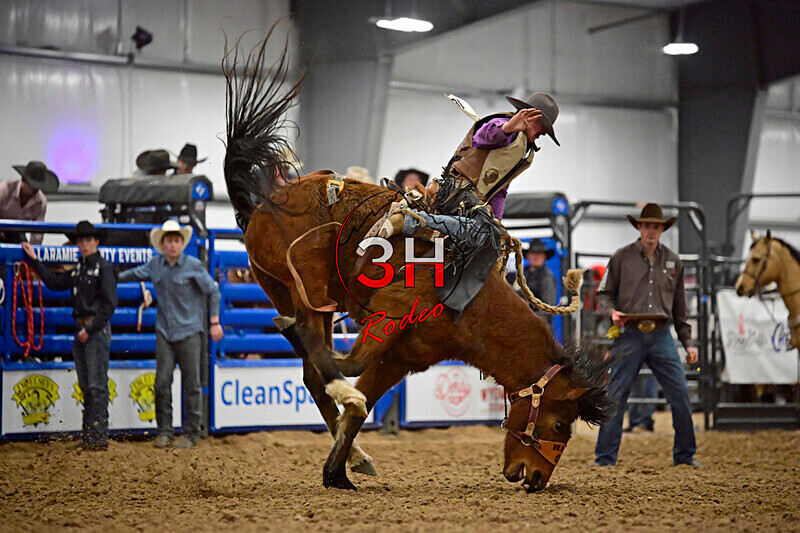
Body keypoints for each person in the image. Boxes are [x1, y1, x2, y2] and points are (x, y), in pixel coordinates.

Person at [366, 92, 561, 315]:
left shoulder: (524, 149)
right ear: (533, 118)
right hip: (457, 191)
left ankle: (450, 297)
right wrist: (509, 128)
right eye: (544, 127)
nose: (543, 133)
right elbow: (483, 138)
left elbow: (500, 190)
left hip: (472, 201)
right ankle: (409, 222)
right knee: (485, 235)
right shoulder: (503, 124)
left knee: (490, 240)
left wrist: (496, 221)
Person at [594, 203, 700, 467]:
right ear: (639, 227)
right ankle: (605, 458)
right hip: (629, 333)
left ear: (662, 229)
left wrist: (688, 343)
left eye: (656, 227)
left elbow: (680, 308)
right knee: (615, 394)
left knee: (680, 393)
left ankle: (685, 455)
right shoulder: (621, 258)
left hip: (661, 333)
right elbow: (604, 294)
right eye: (647, 226)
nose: (651, 231)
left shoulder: (674, 261)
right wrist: (612, 313)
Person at [118, 220, 223, 448]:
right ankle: (164, 431)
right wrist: (111, 276)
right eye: (169, 241)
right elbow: (134, 274)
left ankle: (191, 433)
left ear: (181, 243)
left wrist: (214, 321)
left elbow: (213, 291)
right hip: (165, 331)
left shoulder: (193, 265)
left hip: (190, 331)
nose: (173, 245)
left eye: (176, 241)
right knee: (162, 382)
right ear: (163, 244)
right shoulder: (155, 265)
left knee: (191, 383)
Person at [22, 221, 117, 450]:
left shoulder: (103, 268)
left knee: (95, 385)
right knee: (87, 384)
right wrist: (35, 261)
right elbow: (55, 283)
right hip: (84, 329)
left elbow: (109, 305)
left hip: (92, 329)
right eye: (81, 241)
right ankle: (91, 436)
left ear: (96, 242)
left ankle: (98, 436)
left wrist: (89, 328)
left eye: (88, 240)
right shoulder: (79, 268)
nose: (84, 244)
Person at [0, 161, 60, 244]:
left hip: (16, 233)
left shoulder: (40, 201)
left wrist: (33, 251)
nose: (35, 190)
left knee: (22, 246)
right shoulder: (3, 190)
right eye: (32, 186)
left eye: (38, 187)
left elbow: (37, 232)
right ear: (23, 181)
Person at [506, 238, 557, 325]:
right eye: (533, 253)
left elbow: (547, 307)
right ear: (528, 256)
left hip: (538, 325)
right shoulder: (521, 273)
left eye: (539, 253)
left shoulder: (547, 277)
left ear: (544, 256)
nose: (535, 256)